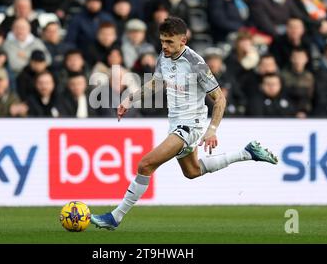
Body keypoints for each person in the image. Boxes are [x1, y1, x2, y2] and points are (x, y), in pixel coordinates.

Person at [90, 17, 278, 230]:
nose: (164, 46)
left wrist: (211, 130)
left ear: (183, 40)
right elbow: (156, 82)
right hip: (176, 124)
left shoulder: (196, 63)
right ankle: (247, 153)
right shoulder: (164, 55)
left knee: (145, 165)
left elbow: (220, 99)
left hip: (190, 126)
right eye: (162, 41)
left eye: (169, 42)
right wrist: (130, 98)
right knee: (192, 171)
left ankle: (115, 217)